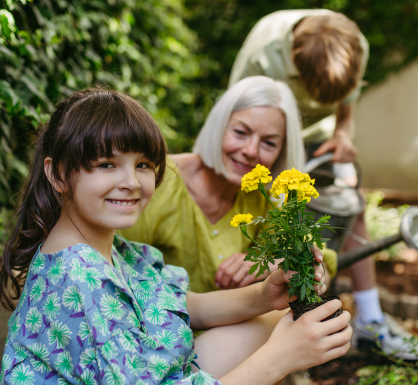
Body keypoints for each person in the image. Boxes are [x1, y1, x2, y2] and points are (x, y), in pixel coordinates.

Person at [0, 87, 352, 385]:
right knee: (271, 349)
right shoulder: (79, 279)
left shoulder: (111, 248)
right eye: (106, 164)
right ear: (57, 173)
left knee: (268, 324)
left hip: (155, 378)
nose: (131, 181)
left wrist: (262, 296)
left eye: (144, 165)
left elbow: (185, 303)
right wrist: (281, 357)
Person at [229, 10, 418, 360]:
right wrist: (267, 164)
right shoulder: (263, 53)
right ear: (293, 63)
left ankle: (371, 320)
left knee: (352, 203)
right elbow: (239, 119)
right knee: (273, 217)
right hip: (269, 137)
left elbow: (345, 115)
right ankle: (275, 324)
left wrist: (342, 135)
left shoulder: (355, 47)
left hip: (319, 139)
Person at [120, 76, 339, 294]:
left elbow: (321, 265)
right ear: (218, 127)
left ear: (281, 153)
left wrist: (273, 263)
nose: (251, 150)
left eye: (269, 143)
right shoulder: (156, 179)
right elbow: (112, 264)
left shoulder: (265, 199)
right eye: (241, 133)